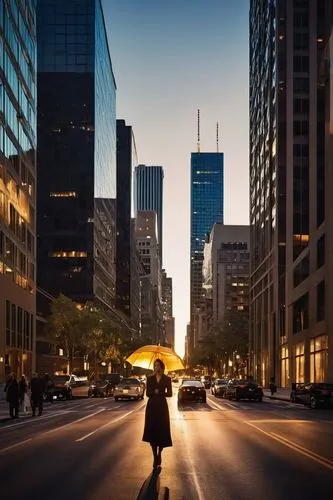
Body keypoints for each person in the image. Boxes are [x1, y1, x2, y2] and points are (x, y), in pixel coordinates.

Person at [142, 359, 173, 470]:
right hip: (151, 408)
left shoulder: (167, 379)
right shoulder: (149, 379)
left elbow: (169, 394)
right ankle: (155, 457)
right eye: (155, 366)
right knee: (153, 433)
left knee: (162, 433)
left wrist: (159, 392)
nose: (157, 368)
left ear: (162, 367)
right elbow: (147, 394)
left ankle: (160, 453)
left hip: (162, 408)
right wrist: (153, 392)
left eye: (158, 366)